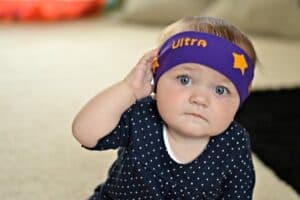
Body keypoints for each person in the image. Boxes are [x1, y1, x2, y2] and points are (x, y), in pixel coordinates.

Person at [72, 16, 257, 200]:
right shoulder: (142, 115)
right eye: (185, 80)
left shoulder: (234, 142)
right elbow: (85, 134)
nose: (200, 99)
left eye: (220, 90)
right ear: (156, 80)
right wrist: (129, 89)